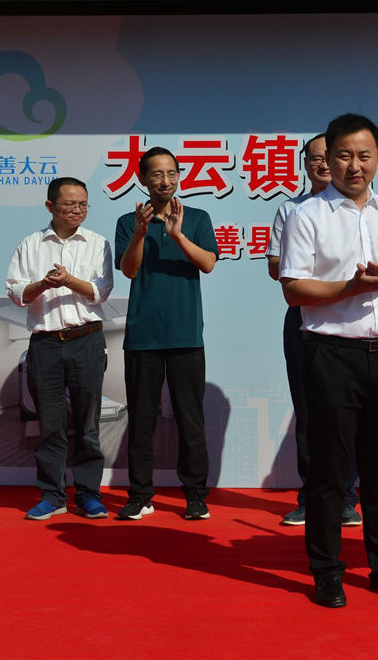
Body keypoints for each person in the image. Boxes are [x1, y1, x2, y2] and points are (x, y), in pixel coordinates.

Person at [279, 113, 378, 608]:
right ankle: (327, 572)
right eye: (343, 155)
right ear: (327, 160)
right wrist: (352, 286)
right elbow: (294, 289)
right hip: (330, 356)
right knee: (327, 472)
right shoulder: (306, 215)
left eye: (364, 155)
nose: (354, 165)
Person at [114, 146, 219, 521]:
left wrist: (176, 235)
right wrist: (141, 233)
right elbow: (128, 270)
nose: (165, 180)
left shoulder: (198, 217)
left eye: (171, 173)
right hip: (143, 336)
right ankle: (140, 495)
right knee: (142, 420)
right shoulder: (129, 221)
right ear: (142, 180)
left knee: (191, 419)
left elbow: (208, 263)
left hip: (186, 335)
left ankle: (195, 495)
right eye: (156, 174)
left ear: (179, 176)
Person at [266, 133, 361, 528]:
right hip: (304, 317)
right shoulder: (291, 210)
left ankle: (347, 497)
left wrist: (316, 268)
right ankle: (311, 496)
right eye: (315, 159)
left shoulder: (359, 209)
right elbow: (277, 268)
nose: (323, 164)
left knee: (350, 412)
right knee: (309, 410)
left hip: (352, 317)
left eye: (330, 157)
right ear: (304, 164)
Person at [6, 177, 113, 520]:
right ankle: (52, 495)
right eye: (70, 204)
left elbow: (100, 291)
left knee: (88, 424)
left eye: (83, 204)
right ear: (50, 206)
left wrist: (68, 281)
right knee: (50, 425)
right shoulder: (30, 244)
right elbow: (17, 292)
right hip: (46, 345)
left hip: (87, 340)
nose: (77, 210)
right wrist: (43, 284)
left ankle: (88, 494)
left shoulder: (97, 243)